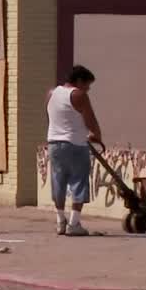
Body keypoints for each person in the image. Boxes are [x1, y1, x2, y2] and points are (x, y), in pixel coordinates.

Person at [46, 65, 102, 236]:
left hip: (54, 142)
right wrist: (97, 136)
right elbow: (90, 120)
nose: (88, 89)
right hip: (75, 144)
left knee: (58, 181)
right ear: (79, 81)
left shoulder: (51, 93)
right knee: (79, 181)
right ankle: (74, 223)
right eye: (87, 85)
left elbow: (51, 115)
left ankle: (60, 221)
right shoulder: (78, 95)